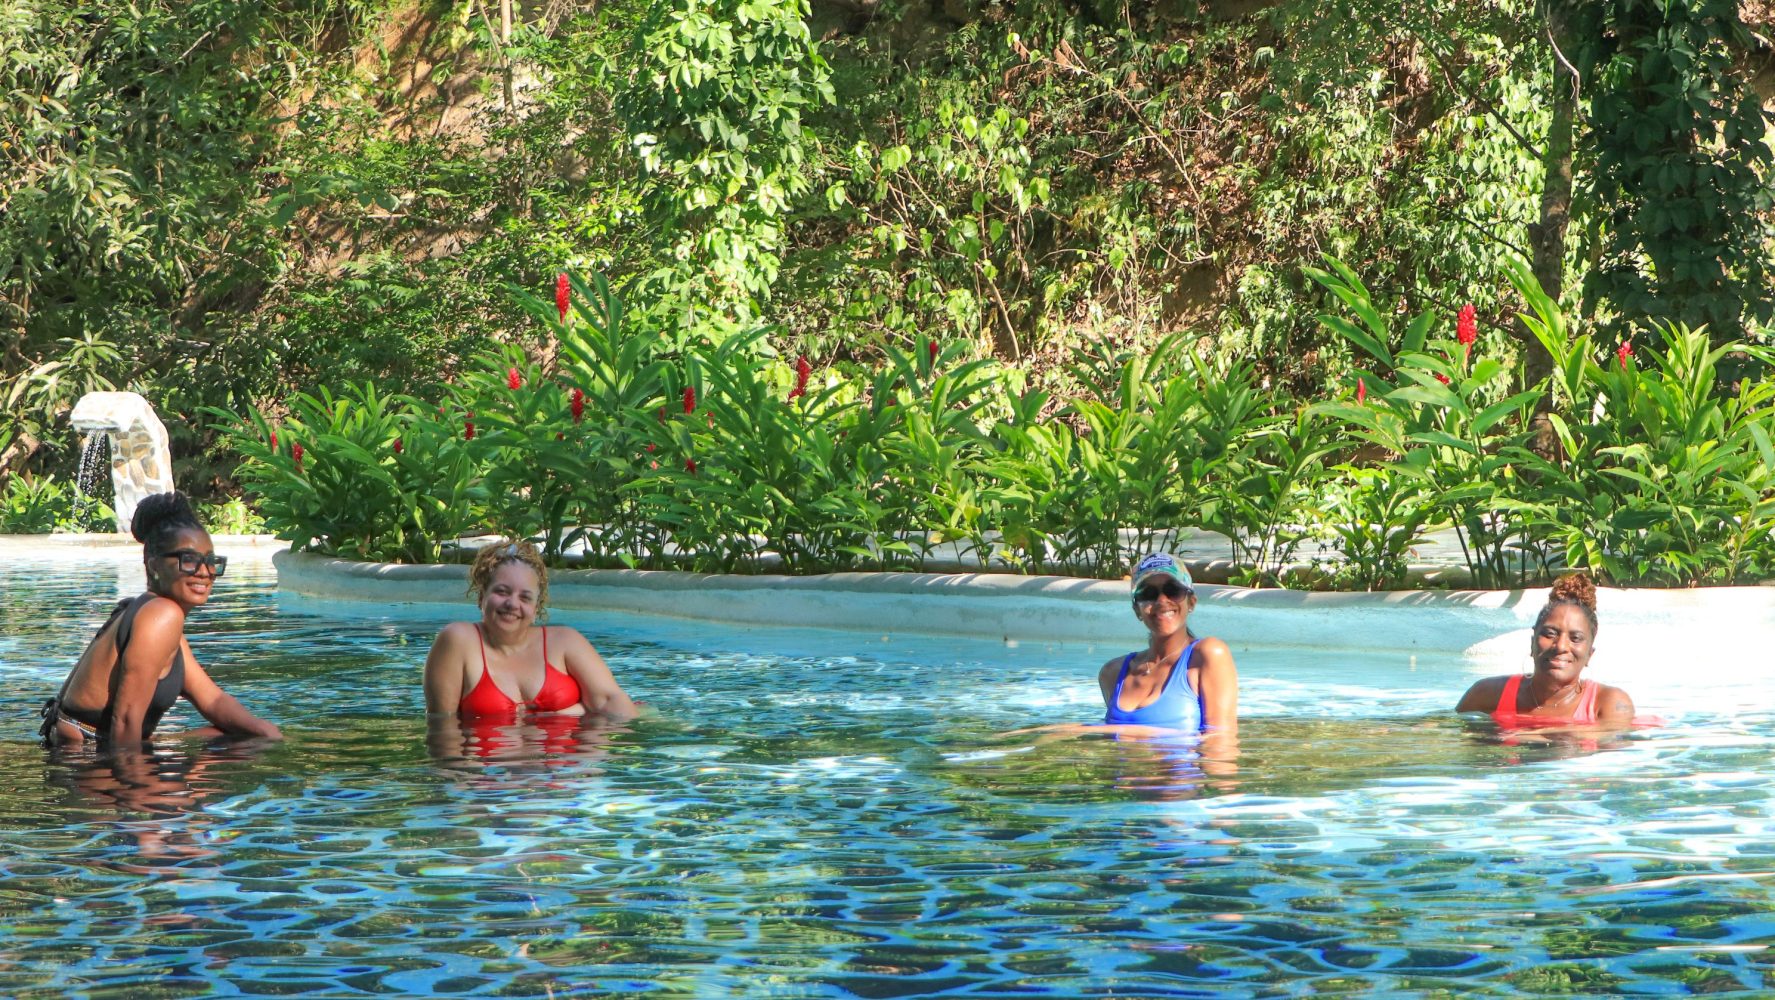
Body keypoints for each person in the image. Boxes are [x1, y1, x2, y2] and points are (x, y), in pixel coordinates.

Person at [39, 492, 284, 746]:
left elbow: (213, 701)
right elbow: (124, 722)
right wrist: (138, 782)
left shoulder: (157, 617)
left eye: (211, 562)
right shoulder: (161, 615)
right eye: (188, 560)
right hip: (86, 760)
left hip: (92, 748)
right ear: (154, 565)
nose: (204, 572)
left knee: (237, 737)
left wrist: (266, 732)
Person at [424, 540, 637, 721]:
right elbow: (442, 727)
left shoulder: (564, 641)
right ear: (482, 597)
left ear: (536, 609)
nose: (512, 604)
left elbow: (613, 703)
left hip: (566, 766)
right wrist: (578, 710)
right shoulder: (458, 640)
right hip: (487, 768)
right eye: (502, 591)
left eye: (524, 597)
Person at [1455, 572, 1635, 727]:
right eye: (1550, 634)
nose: (1561, 646)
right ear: (1532, 643)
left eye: (1575, 638)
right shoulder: (1486, 695)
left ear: (1589, 654)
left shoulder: (1609, 705)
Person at [1098, 552, 1238, 735]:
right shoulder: (1113, 673)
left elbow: (1221, 742)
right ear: (1137, 610)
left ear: (1192, 602)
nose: (1162, 600)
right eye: (1148, 593)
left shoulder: (1207, 655)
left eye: (1173, 590)